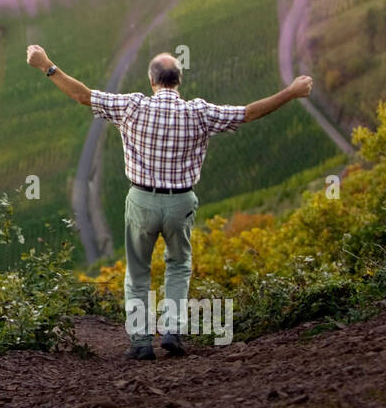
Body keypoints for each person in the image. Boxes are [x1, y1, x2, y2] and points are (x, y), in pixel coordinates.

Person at [25, 44, 313, 359]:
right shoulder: (200, 112)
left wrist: (47, 66)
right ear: (178, 81)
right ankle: (173, 331)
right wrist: (291, 91)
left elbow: (83, 95)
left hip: (141, 200)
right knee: (178, 266)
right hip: (181, 203)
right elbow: (249, 113)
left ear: (152, 81)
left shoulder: (132, 107)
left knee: (137, 273)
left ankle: (141, 342)